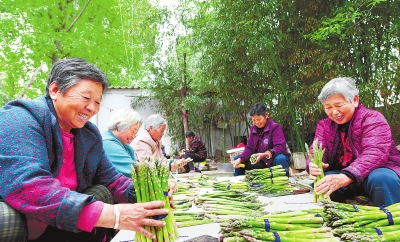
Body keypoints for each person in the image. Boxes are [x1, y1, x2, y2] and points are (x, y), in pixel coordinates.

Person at [0, 58, 173, 242]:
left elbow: (112, 180)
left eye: (97, 102)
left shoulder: (89, 135)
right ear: (55, 90)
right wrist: (114, 215)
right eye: (86, 98)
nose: (92, 108)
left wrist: (147, 192)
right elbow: (31, 187)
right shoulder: (21, 118)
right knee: (6, 219)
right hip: (29, 225)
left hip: (64, 221)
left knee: (102, 192)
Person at [306, 77, 400, 207]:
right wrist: (313, 164)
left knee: (383, 179)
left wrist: (346, 176)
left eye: (339, 105)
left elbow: (375, 153)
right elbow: (316, 149)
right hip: (343, 176)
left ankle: (391, 220)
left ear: (355, 100)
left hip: (373, 174)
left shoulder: (372, 118)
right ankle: (338, 221)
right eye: (328, 107)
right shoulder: (324, 125)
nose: (334, 112)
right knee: (323, 182)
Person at [232, 102, 291, 176]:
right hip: (259, 162)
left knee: (281, 159)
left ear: (266, 115)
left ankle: (283, 183)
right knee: (238, 159)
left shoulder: (275, 127)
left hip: (272, 161)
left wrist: (265, 154)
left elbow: (279, 147)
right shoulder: (253, 129)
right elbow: (249, 148)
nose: (257, 122)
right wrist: (241, 159)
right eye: (254, 120)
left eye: (259, 119)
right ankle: (239, 184)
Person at [102, 109, 142, 178]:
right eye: (133, 131)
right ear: (119, 126)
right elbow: (135, 172)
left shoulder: (125, 146)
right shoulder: (108, 144)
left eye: (135, 133)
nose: (133, 136)